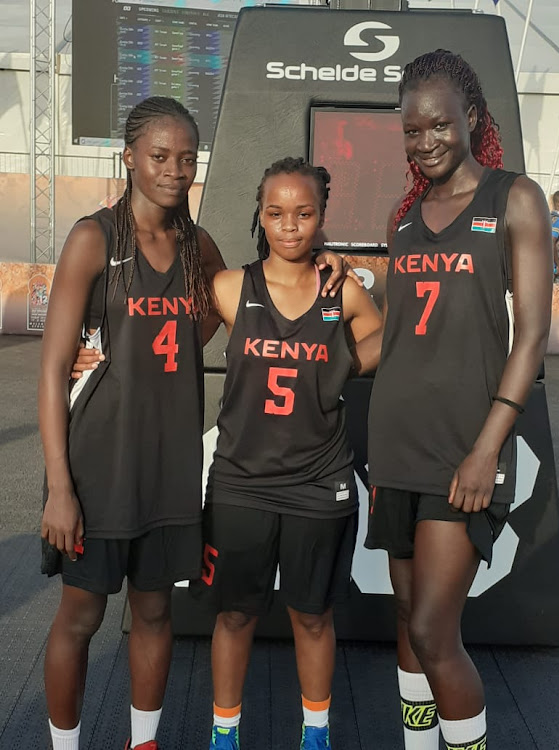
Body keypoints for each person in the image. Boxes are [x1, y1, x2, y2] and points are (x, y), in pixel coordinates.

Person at [41, 97, 354, 750]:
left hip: (172, 469)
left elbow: (249, 303)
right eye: (159, 156)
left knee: (155, 611)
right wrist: (60, 488)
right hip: (98, 468)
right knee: (80, 617)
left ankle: (144, 743)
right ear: (129, 157)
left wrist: (334, 263)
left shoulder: (197, 247)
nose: (175, 171)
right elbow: (49, 371)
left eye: (187, 159)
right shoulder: (93, 238)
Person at [365, 50, 552, 750]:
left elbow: (531, 335)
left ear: (471, 117)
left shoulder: (515, 198)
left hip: (465, 450)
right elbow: (394, 332)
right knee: (406, 618)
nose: (426, 142)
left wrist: (487, 448)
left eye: (440, 125)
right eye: (413, 131)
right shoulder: (404, 215)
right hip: (395, 445)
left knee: (433, 631)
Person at [188, 157, 382, 750]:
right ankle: (226, 733)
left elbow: (382, 331)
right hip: (241, 483)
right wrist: (85, 350)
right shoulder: (228, 288)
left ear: (322, 218)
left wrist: (346, 361)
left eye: (303, 214)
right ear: (260, 214)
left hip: (319, 483)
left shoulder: (341, 289)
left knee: (313, 616)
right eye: (276, 213)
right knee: (235, 616)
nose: (290, 226)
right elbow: (162, 340)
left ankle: (315, 732)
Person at [551, 190, 559, 280]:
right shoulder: (558, 220)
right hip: (555, 266)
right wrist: (558, 264)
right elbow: (552, 241)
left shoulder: (548, 217)